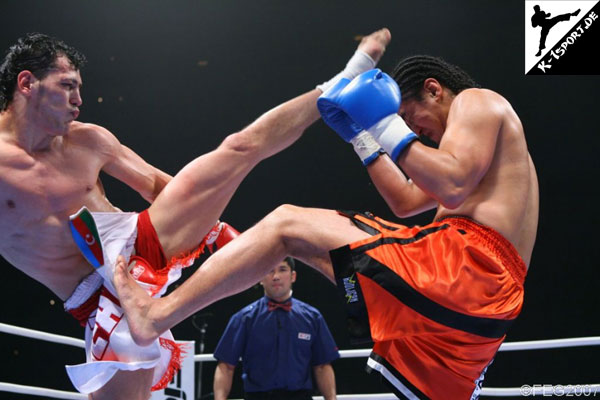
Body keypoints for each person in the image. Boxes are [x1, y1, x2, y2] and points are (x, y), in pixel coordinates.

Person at [114, 54, 538, 399]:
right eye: (405, 125)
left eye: (411, 117)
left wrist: (385, 124)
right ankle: (361, 301)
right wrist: (363, 136)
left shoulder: (478, 101)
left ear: (434, 89)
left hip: (466, 271)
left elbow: (450, 183)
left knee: (285, 223)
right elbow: (407, 201)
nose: (414, 132)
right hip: (470, 316)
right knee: (306, 247)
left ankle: (155, 317)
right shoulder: (472, 158)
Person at [0, 29, 390, 400]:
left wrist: (210, 226)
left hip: (143, 240)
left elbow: (154, 186)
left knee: (238, 149)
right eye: (68, 85)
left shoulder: (88, 140)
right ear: (27, 84)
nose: (79, 100)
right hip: (99, 300)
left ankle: (336, 85)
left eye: (79, 87)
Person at [213, 257, 339, 400]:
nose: (276, 276)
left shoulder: (312, 317)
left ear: (293, 276)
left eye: (282, 270)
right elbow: (226, 366)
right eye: (269, 271)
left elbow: (322, 366)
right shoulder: (244, 318)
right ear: (259, 278)